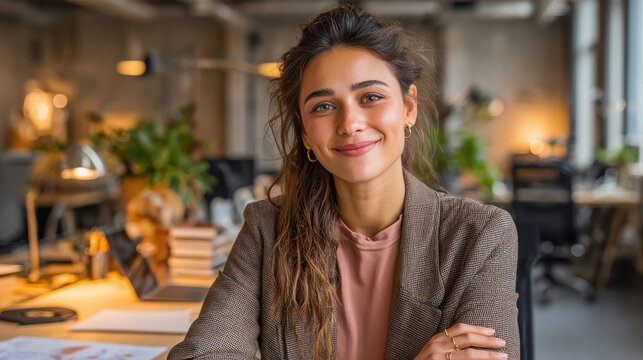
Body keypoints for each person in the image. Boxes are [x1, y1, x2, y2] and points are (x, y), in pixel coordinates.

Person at [168, 5, 518, 360]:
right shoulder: (266, 230)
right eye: (323, 106)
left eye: (370, 97)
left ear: (409, 108)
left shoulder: (480, 234)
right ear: (304, 133)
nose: (350, 123)